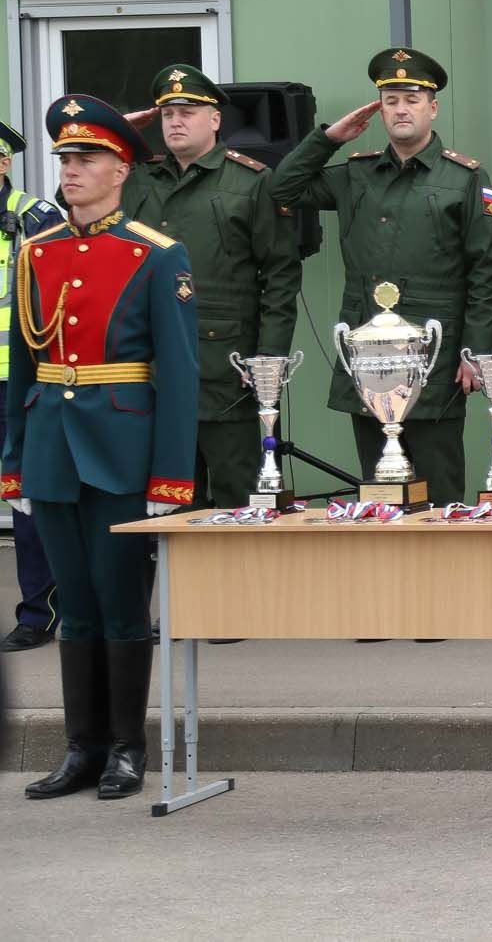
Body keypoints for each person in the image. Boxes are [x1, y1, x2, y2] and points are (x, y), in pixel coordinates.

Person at [4, 95, 198, 800]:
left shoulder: (154, 253)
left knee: (121, 607)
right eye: (64, 158)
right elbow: (25, 365)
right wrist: (14, 462)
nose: (71, 169)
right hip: (54, 447)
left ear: (121, 168)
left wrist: (171, 477)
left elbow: (178, 375)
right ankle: (79, 748)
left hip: (124, 448)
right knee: (74, 608)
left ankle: (125, 747)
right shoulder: (37, 252)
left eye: (86, 158)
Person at [269, 48, 492, 507]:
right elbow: (282, 189)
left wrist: (474, 352)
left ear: (432, 108)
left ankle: (443, 579)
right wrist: (329, 139)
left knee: (438, 492)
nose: (400, 108)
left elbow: (488, 274)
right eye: (390, 99)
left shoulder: (465, 179)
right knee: (380, 490)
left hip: (433, 353)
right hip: (367, 355)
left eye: (412, 99)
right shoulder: (356, 174)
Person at [127, 64, 303, 514]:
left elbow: (280, 274)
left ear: (215, 119)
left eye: (187, 111)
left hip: (228, 371)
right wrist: (115, 135)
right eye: (167, 114)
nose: (175, 122)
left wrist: (269, 360)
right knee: (166, 503)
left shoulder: (249, 181)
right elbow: (77, 207)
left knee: (238, 498)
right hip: (150, 368)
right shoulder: (137, 179)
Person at [0, 121, 64, 653]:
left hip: (15, 382)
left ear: (3, 163)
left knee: (23, 501)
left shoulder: (35, 217)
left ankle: (36, 613)